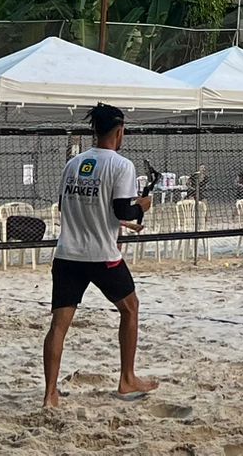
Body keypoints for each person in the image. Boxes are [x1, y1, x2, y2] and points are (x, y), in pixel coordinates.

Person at [43, 103, 157, 408]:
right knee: (130, 308)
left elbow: (71, 206)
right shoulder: (122, 165)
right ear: (120, 132)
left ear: (94, 130)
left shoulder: (74, 164)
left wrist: (120, 223)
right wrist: (141, 207)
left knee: (59, 325)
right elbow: (122, 206)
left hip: (68, 254)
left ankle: (50, 394)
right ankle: (127, 378)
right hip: (101, 255)